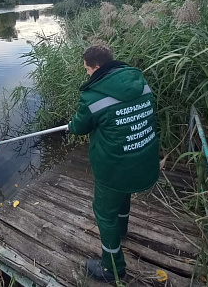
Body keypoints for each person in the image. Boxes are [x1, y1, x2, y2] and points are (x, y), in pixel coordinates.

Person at [67, 45, 159, 282]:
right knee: (124, 192)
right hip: (144, 160)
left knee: (104, 213)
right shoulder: (139, 81)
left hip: (115, 167)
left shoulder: (93, 95)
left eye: (87, 69)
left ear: (96, 67)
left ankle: (112, 268)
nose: (87, 74)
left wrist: (71, 125)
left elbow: (79, 127)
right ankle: (122, 231)